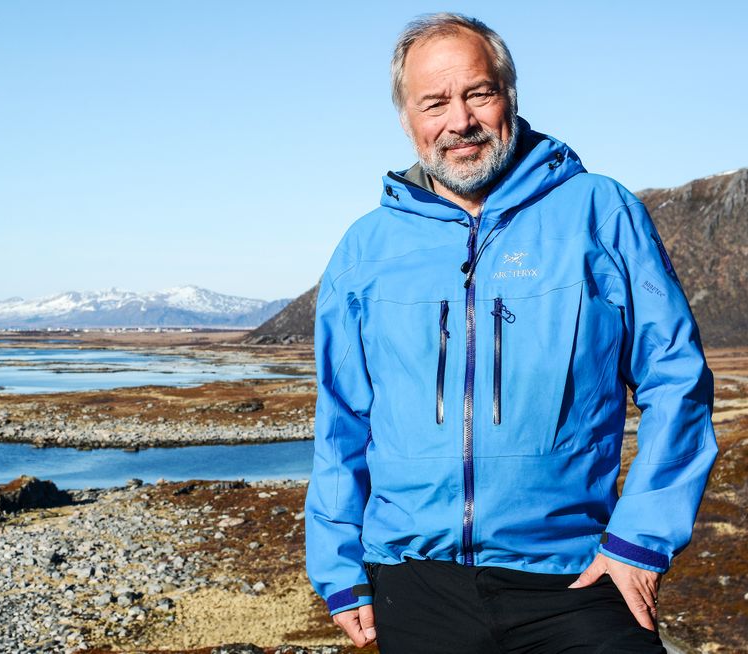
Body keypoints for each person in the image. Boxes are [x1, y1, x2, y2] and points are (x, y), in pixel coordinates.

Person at [304, 13, 717, 653]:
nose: (458, 121)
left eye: (478, 93)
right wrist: (338, 572)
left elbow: (676, 379)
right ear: (407, 118)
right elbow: (342, 420)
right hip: (416, 585)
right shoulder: (366, 248)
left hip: (578, 577)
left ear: (510, 95)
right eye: (433, 102)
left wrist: (640, 540)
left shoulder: (598, 211)